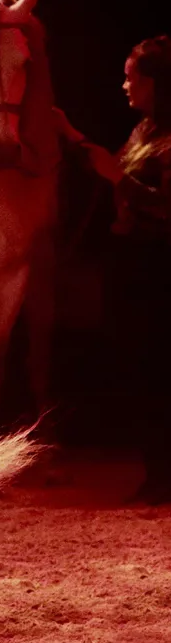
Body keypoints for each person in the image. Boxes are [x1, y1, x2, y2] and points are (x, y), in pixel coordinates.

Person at [108, 36, 171, 504]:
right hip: (135, 262)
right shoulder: (142, 131)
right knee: (139, 369)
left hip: (162, 265)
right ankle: (156, 472)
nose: (125, 85)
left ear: (154, 82)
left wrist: (117, 181)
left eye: (132, 77)